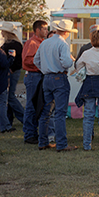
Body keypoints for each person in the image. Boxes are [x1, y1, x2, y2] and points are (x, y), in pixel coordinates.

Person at [34, 19, 78, 152]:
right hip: (59, 78)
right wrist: (71, 61)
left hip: (47, 78)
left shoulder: (45, 42)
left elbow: (36, 60)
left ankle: (42, 141)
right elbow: (65, 63)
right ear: (67, 32)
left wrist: (45, 70)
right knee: (60, 113)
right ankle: (61, 144)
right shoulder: (63, 44)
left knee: (45, 111)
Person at [21, 20, 49, 144]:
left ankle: (33, 132)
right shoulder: (32, 43)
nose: (47, 31)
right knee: (31, 106)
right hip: (33, 76)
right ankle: (29, 134)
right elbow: (27, 61)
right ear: (37, 30)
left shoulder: (41, 42)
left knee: (37, 105)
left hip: (38, 75)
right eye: (45, 29)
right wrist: (42, 63)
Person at [0, 22, 24, 128]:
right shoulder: (15, 43)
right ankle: (10, 119)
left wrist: (11, 68)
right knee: (10, 96)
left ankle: (24, 117)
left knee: (10, 97)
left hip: (12, 72)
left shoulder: (11, 45)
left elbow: (16, 60)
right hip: (13, 71)